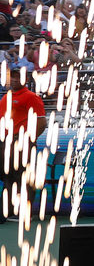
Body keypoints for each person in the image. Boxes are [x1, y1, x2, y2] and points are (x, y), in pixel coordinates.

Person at [0, 64, 46, 214]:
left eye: (17, 76)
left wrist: (26, 140)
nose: (13, 79)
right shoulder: (7, 97)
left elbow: (41, 123)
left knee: (23, 176)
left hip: (21, 141)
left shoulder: (32, 97)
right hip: (6, 142)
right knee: (8, 176)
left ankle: (25, 211)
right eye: (11, 76)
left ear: (25, 79)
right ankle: (11, 210)